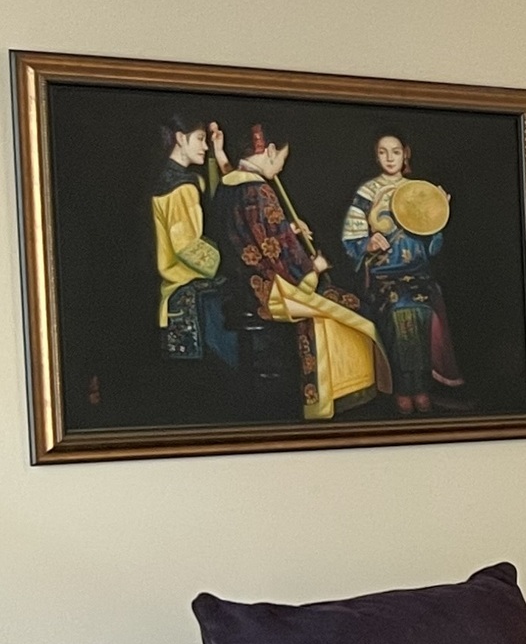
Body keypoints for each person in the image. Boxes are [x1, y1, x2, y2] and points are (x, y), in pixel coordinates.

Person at [212, 126, 382, 422]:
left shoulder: (228, 185)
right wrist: (314, 268)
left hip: (244, 284)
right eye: (281, 160)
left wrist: (288, 228)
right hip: (273, 291)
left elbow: (253, 232)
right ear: (270, 151)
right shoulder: (260, 191)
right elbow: (279, 252)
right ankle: (342, 398)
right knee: (355, 311)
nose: (280, 168)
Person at [340, 134, 460, 414]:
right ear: (376, 155)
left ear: (406, 153)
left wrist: (440, 215)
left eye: (395, 151)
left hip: (417, 273)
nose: (390, 157)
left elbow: (433, 248)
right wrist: (367, 243)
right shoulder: (368, 192)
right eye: (383, 152)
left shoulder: (420, 191)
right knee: (399, 309)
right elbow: (351, 240)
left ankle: (422, 388)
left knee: (421, 307)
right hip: (382, 275)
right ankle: (404, 390)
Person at [150, 114, 234, 368]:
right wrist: (229, 262)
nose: (205, 146)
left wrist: (218, 156)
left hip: (178, 288)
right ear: (180, 138)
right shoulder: (181, 187)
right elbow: (187, 246)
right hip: (189, 289)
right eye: (199, 139)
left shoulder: (174, 179)